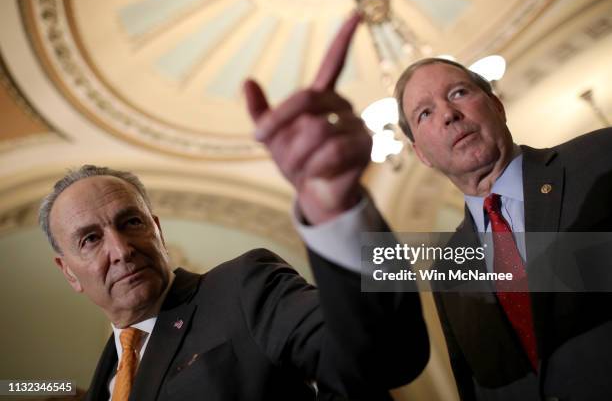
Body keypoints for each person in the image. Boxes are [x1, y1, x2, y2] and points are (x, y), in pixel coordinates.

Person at [245, 13, 612, 401]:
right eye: (425, 113)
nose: (448, 114)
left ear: (497, 105)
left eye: (458, 94)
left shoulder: (600, 157)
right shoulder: (447, 267)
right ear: (420, 153)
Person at [39, 164, 429, 401]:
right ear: (68, 271)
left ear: (156, 229)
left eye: (132, 223)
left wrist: (340, 208)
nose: (121, 250)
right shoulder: (103, 378)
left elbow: (373, 356)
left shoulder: (242, 287)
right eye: (91, 239)